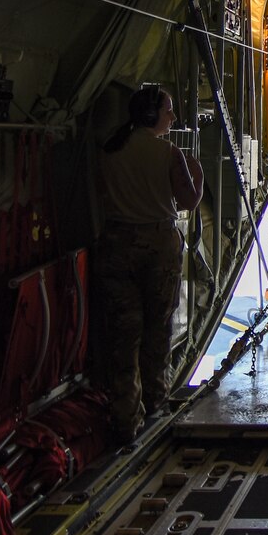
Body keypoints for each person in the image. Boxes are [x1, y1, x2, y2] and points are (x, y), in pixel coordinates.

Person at [92, 84, 204, 439]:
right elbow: (187, 200)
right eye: (169, 110)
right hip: (157, 246)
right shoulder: (168, 153)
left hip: (115, 243)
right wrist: (197, 177)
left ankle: (126, 418)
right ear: (152, 115)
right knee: (158, 328)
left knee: (123, 334)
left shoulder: (110, 150)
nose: (172, 117)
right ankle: (156, 403)